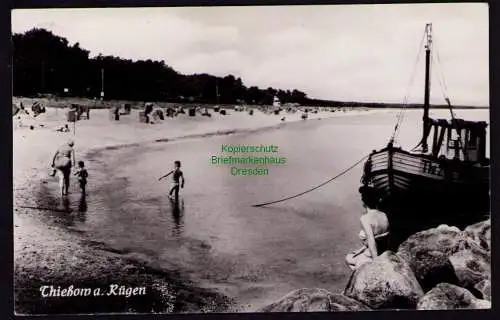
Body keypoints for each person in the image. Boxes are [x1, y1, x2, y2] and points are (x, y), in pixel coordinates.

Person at [345, 194, 390, 270]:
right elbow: (383, 236)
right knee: (350, 256)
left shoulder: (365, 218)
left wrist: (376, 262)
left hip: (372, 254)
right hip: (384, 251)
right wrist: (360, 250)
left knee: (348, 259)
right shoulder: (384, 214)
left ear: (364, 202)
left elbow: (371, 241)